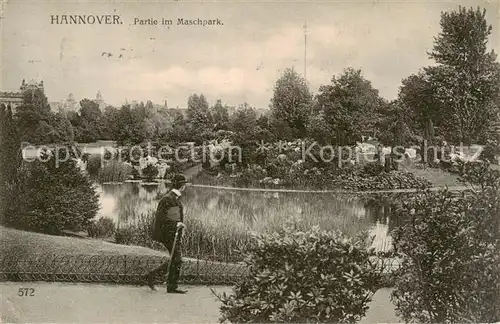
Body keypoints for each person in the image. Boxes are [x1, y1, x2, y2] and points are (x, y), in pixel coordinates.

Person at [146, 174, 189, 293]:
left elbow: (175, 216)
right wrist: (177, 224)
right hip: (167, 234)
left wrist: (179, 226)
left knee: (176, 259)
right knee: (177, 259)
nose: (185, 186)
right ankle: (154, 278)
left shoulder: (174, 198)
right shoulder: (168, 199)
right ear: (182, 186)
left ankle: (168, 285)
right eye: (184, 184)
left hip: (173, 233)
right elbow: (160, 218)